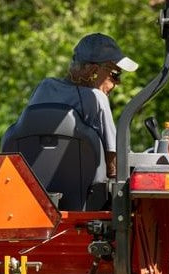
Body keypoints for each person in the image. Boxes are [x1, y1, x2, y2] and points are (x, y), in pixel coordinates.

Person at [21, 33, 138, 177]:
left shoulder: (45, 87)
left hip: (33, 181)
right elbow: (113, 166)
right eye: (115, 75)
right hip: (83, 188)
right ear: (93, 71)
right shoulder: (96, 98)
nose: (118, 82)